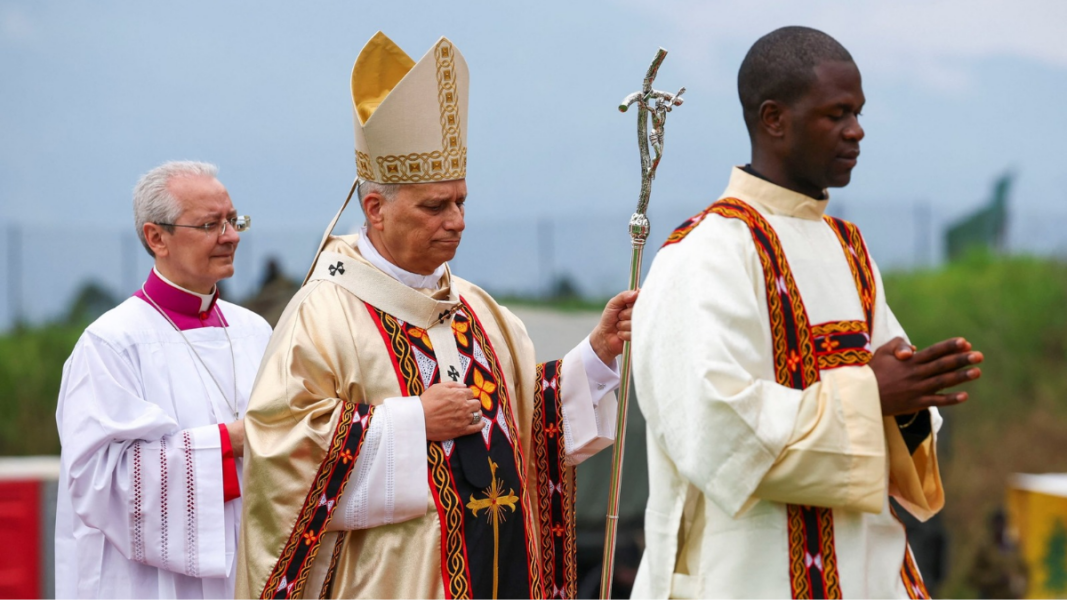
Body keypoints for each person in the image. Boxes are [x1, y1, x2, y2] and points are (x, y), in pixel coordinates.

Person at [235, 32, 634, 600]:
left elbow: (526, 424)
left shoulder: (481, 310)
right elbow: (281, 455)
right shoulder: (324, 314)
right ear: (375, 208)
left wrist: (593, 359)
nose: (457, 221)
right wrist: (413, 422)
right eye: (434, 206)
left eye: (461, 202)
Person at [630, 26, 984, 598]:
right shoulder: (703, 255)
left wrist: (914, 398)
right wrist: (872, 397)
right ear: (775, 119)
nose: (857, 130)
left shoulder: (850, 249)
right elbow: (717, 428)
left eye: (859, 112)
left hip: (869, 572)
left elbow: (890, 399)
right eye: (837, 114)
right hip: (747, 572)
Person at [54, 161, 271, 598]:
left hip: (246, 570)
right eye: (211, 224)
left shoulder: (256, 332)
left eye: (233, 220)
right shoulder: (111, 344)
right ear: (157, 238)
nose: (231, 237)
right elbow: (100, 484)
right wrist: (229, 443)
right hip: (147, 584)